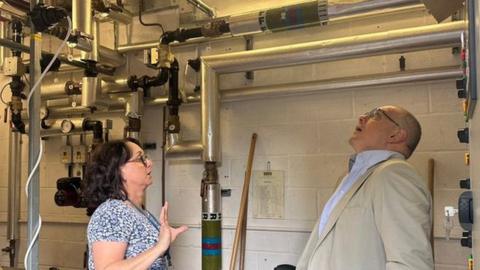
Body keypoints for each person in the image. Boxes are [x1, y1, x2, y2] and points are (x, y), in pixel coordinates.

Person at [296, 105, 433, 270]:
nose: (362, 117)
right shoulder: (350, 178)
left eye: (376, 115)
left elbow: (410, 263)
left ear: (396, 134)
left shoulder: (394, 174)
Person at [84, 138, 188, 270]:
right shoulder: (112, 212)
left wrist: (162, 247)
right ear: (118, 170)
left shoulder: (137, 211)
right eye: (141, 159)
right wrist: (159, 247)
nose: (149, 163)